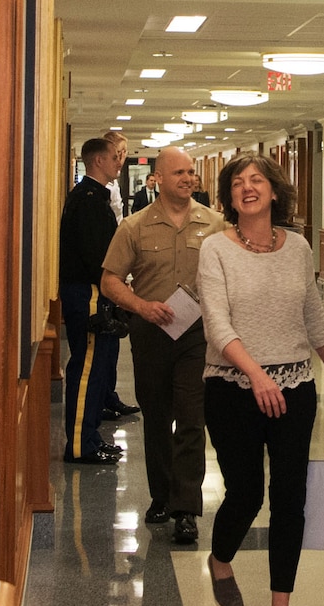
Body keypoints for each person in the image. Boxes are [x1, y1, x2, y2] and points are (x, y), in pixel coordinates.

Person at [199, 152, 324, 606]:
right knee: (245, 493)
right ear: (229, 197)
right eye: (239, 183)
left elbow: (313, 315)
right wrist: (256, 375)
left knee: (291, 496)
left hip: (295, 387)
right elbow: (216, 322)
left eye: (257, 181)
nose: (248, 188)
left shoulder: (299, 248)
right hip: (231, 388)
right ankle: (221, 560)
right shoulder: (215, 249)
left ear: (273, 191)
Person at [101, 147, 225, 544]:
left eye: (192, 172)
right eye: (180, 173)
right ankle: (161, 496)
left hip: (197, 335)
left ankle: (186, 508)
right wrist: (141, 306)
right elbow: (110, 281)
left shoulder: (217, 225)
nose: (189, 179)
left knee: (191, 418)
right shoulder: (134, 227)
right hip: (151, 332)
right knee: (156, 418)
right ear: (158, 177)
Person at [59, 137, 125, 465]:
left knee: (98, 368)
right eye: (115, 157)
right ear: (98, 161)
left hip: (94, 291)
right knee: (87, 368)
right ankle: (80, 445)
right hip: (88, 293)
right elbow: (96, 256)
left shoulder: (94, 197)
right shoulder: (87, 200)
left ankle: (91, 436)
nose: (119, 162)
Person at [100, 130, 141, 422]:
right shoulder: (106, 189)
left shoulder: (112, 187)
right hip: (110, 265)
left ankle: (109, 395)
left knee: (112, 344)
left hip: (118, 257)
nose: (122, 159)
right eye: (119, 153)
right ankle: (105, 397)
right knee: (106, 342)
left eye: (125, 154)